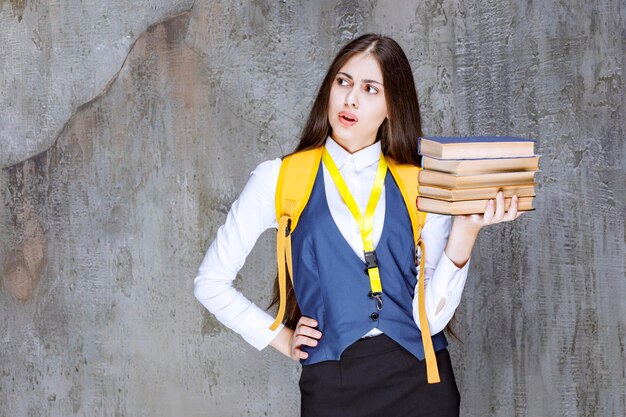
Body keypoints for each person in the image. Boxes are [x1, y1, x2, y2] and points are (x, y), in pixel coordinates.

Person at [193, 33, 523, 417]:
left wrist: (466, 232)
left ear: (391, 107)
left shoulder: (421, 183)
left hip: (422, 384)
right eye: (343, 81)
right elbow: (210, 282)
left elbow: (429, 319)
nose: (350, 98)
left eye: (370, 88)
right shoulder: (280, 178)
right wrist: (280, 339)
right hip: (334, 386)